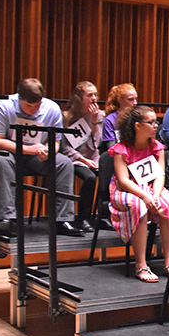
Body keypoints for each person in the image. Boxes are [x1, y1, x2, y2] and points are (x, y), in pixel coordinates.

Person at [0, 78, 82, 237]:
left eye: (37, 105)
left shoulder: (52, 108)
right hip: (9, 152)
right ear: (19, 98)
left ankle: (62, 220)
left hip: (35, 154)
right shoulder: (2, 105)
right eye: (28, 106)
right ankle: (5, 218)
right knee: (1, 160)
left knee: (64, 163)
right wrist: (27, 149)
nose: (33, 110)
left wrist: (48, 151)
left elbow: (55, 142)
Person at [108, 106, 169, 282]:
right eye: (151, 122)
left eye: (156, 122)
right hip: (125, 189)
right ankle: (141, 265)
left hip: (151, 188)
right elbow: (123, 180)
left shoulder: (157, 147)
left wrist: (155, 194)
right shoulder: (121, 149)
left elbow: (160, 175)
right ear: (138, 126)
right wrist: (145, 197)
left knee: (168, 203)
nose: (156, 126)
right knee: (139, 206)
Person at [61, 81, 104, 231]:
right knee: (90, 178)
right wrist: (82, 160)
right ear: (80, 98)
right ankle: (82, 218)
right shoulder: (67, 117)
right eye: (89, 95)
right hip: (74, 159)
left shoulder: (99, 116)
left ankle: (102, 217)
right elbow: (64, 146)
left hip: (93, 157)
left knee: (108, 174)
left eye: (95, 95)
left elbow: (96, 144)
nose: (94, 98)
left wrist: (94, 123)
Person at [101, 83, 137, 152]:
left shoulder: (138, 117)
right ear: (119, 100)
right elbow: (111, 147)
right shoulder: (110, 120)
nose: (135, 103)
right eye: (130, 99)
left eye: (135, 99)